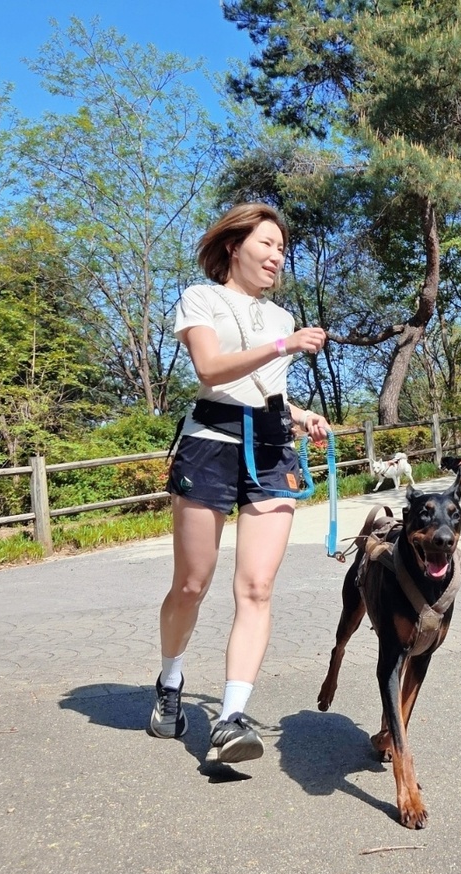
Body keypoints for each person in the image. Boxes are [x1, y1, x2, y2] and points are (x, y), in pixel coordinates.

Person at [150, 202, 329, 763]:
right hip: (209, 445)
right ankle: (171, 678)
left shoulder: (279, 317)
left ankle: (230, 717)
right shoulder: (200, 299)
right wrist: (286, 345)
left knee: (256, 587)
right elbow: (211, 369)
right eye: (267, 244)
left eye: (281, 249)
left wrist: (300, 415)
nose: (277, 257)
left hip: (272, 448)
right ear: (234, 246)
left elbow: (266, 391)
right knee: (192, 585)